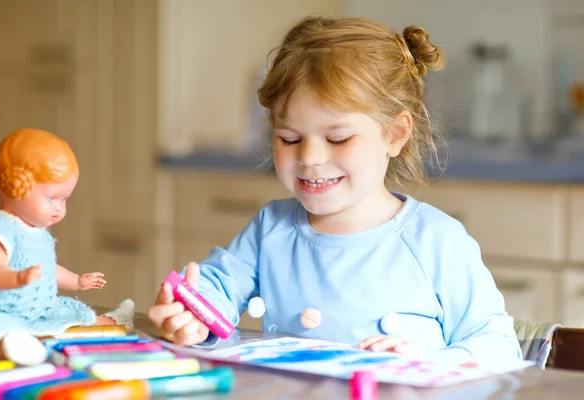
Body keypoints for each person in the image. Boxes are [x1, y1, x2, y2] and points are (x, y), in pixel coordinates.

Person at [148, 16, 522, 364]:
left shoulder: (436, 241)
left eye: (338, 138)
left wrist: (425, 360)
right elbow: (217, 287)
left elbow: (498, 346)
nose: (310, 157)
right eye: (289, 138)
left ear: (395, 134)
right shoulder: (271, 229)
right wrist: (193, 316)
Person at [0, 128, 134, 365]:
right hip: (3, 309)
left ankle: (113, 323)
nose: (59, 208)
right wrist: (16, 278)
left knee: (75, 313)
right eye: (52, 198)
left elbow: (49, 269)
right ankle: (13, 346)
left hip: (41, 308)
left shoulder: (39, 234)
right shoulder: (0, 227)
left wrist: (76, 281)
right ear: (16, 187)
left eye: (64, 200)